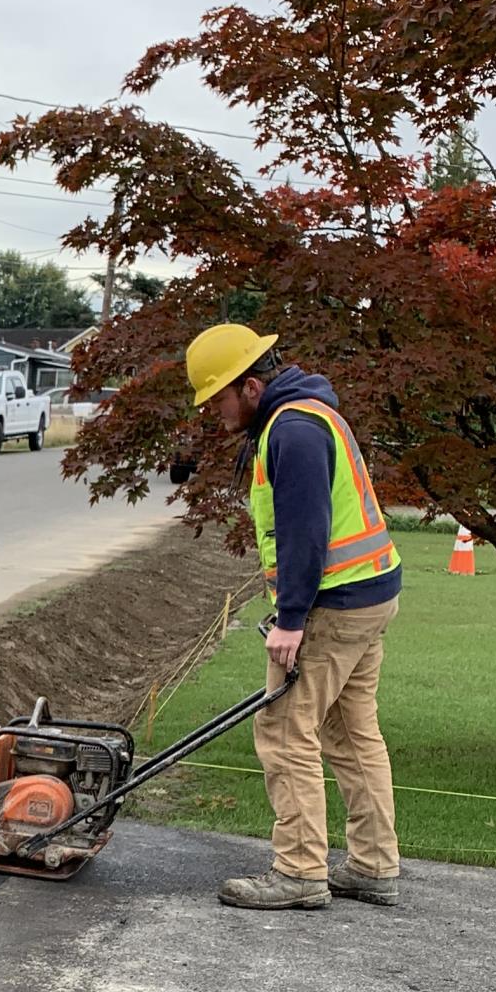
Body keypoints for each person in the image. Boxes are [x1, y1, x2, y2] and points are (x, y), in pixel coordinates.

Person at [184, 324, 403, 910]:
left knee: (284, 731)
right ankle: (374, 865)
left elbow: (307, 532)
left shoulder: (294, 430)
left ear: (250, 387)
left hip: (334, 602)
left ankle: (300, 873)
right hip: (370, 592)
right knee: (351, 733)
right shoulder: (309, 414)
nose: (215, 413)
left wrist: (291, 620)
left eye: (219, 400)